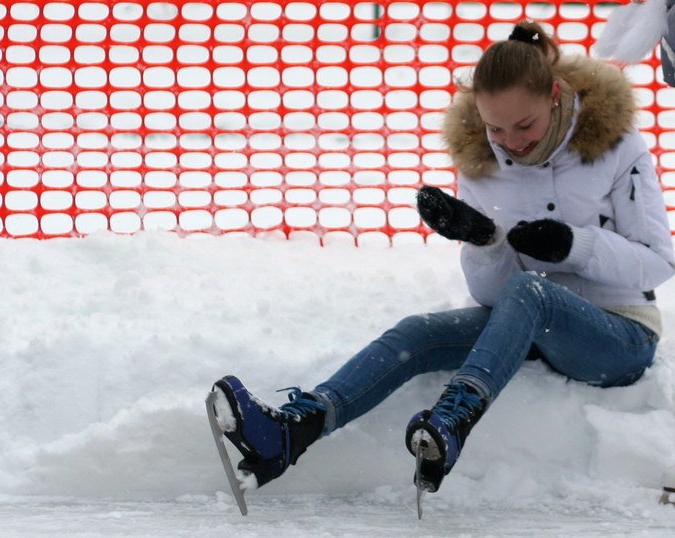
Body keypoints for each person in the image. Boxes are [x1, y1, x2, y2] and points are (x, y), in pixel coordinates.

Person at [210, 20, 675, 495]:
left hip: (619, 335)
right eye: (496, 128)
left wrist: (574, 246)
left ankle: (456, 417)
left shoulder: (618, 145)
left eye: (525, 125)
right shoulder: (481, 161)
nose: (511, 141)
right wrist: (485, 242)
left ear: (555, 94)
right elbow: (492, 295)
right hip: (531, 325)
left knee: (530, 290)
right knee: (418, 333)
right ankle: (295, 429)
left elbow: (660, 260)